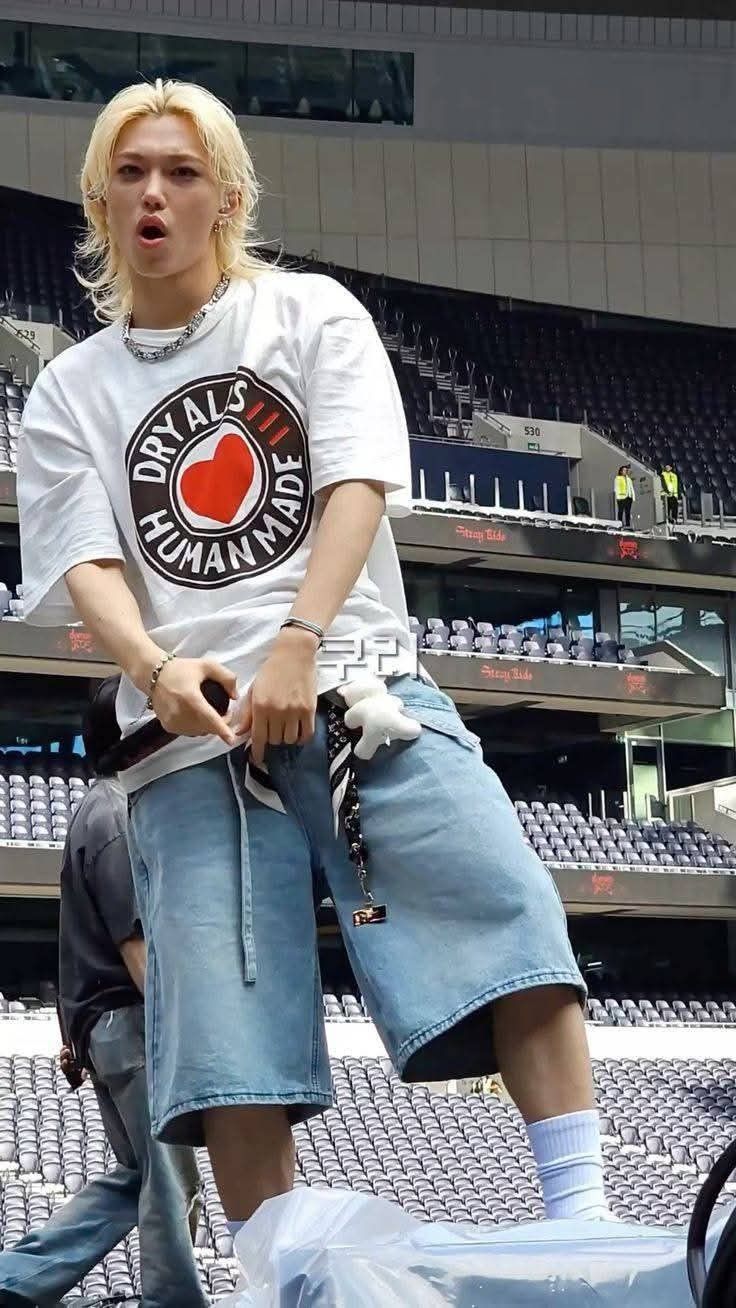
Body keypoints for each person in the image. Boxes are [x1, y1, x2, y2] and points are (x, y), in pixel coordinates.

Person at [16, 78, 610, 1257]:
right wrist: (156, 665)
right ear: (97, 197)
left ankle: (585, 1223)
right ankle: (288, 1276)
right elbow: (86, 562)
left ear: (226, 195)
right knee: (231, 1047)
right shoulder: (68, 391)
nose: (155, 192)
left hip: (358, 687)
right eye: (130, 171)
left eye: (181, 171)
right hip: (186, 749)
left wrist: (297, 640)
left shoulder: (308, 314)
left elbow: (351, 485)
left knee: (511, 917)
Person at [0, 677, 206, 1308]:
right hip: (135, 1022)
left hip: (106, 1027)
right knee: (169, 1180)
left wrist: (75, 1038)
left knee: (139, 1175)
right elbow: (133, 942)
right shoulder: (119, 813)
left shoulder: (96, 809)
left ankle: (16, 1279)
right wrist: (184, 1029)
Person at [614, 464, 635, 528]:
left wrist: (633, 497)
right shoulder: (617, 478)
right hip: (621, 497)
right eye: (624, 470)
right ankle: (620, 524)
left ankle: (628, 524)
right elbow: (616, 488)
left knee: (627, 512)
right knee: (620, 511)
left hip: (628, 497)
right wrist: (617, 497)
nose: (625, 471)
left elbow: (631, 488)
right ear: (621, 471)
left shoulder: (629, 479)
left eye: (626, 470)